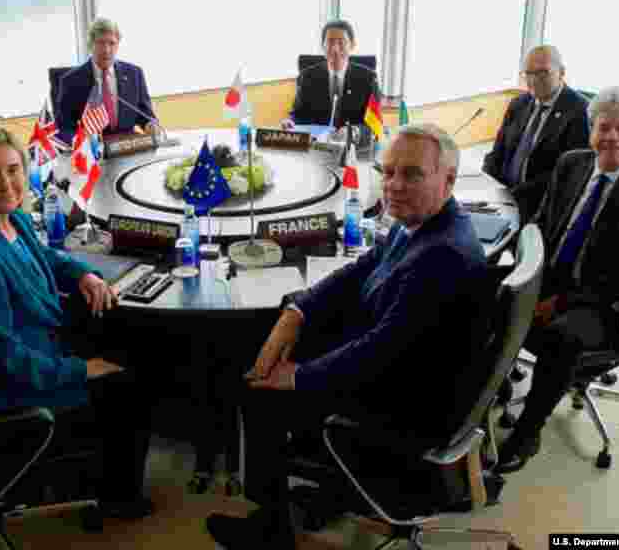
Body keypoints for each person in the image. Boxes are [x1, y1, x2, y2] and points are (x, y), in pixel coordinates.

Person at [206, 124, 492, 549]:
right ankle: (334, 490)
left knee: (259, 390)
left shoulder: (443, 255)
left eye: (411, 174)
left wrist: (299, 377)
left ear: (448, 180)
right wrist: (297, 310)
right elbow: (361, 268)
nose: (393, 185)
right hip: (408, 365)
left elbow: (381, 353)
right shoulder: (422, 222)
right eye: (388, 171)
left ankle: (272, 530)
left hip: (410, 403)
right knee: (283, 338)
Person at [0, 125, 153, 518]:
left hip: (43, 339)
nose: (7, 183)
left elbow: (48, 260)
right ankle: (119, 497)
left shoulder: (12, 222)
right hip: (10, 384)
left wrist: (85, 275)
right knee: (126, 385)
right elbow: (2, 359)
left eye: (14, 169)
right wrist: (79, 370)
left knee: (132, 336)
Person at [496, 86, 619, 473]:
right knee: (484, 290)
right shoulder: (572, 164)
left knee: (563, 337)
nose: (613, 137)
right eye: (604, 127)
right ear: (590, 130)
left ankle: (528, 431)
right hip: (552, 278)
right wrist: (523, 274)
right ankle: (479, 396)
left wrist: (560, 302)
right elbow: (541, 226)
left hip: (609, 303)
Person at [483, 45, 590, 219]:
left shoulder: (580, 111)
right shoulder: (519, 104)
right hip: (502, 198)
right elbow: (497, 153)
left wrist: (512, 197)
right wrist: (488, 188)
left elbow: (567, 175)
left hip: (540, 207)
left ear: (561, 73)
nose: (533, 80)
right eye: (528, 73)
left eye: (542, 73)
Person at [55, 17, 159, 144]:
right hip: (91, 152)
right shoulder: (71, 81)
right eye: (101, 43)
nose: (106, 50)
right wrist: (79, 142)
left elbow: (146, 114)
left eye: (112, 43)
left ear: (118, 45)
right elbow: (63, 128)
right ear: (90, 45)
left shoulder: (134, 74)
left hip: (127, 146)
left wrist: (150, 125)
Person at [281, 19, 380, 132]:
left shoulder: (368, 79)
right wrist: (290, 121)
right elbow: (298, 114)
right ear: (323, 46)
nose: (335, 49)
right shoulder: (307, 76)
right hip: (318, 143)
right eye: (330, 42)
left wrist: (355, 131)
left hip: (352, 145)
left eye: (341, 42)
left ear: (352, 45)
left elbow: (375, 124)